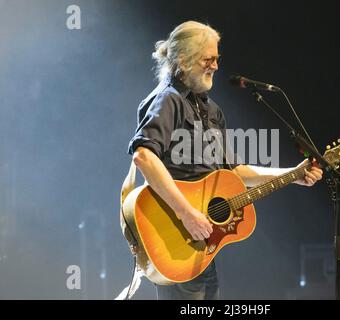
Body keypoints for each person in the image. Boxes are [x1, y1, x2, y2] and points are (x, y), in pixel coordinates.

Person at [127, 20, 323, 300]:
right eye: (208, 59)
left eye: (217, 59)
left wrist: (292, 174)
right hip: (176, 233)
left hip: (203, 242)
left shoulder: (211, 110)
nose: (216, 66)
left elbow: (235, 171)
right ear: (183, 59)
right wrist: (187, 213)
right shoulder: (167, 100)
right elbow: (144, 156)